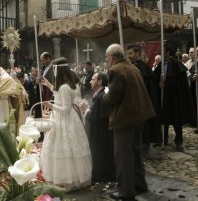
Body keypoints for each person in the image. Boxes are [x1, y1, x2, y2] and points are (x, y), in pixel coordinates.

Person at [102, 44, 155, 200]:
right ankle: (140, 185)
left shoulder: (116, 70)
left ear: (112, 56)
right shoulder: (133, 67)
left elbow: (113, 97)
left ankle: (126, 190)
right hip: (139, 116)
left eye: (106, 57)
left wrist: (105, 93)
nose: (106, 60)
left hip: (124, 118)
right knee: (136, 151)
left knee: (123, 155)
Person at [40, 57, 92, 191]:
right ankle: (74, 177)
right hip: (71, 120)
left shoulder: (63, 87)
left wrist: (50, 105)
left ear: (58, 70)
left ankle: (65, 179)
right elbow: (61, 96)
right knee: (72, 150)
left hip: (63, 119)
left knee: (63, 148)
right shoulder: (70, 84)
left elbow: (65, 109)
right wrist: (50, 86)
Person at [154, 43, 194, 151]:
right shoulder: (161, 64)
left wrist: (166, 81)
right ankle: (164, 139)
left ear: (167, 52)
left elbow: (180, 83)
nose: (161, 52)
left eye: (163, 50)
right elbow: (155, 79)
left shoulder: (176, 64)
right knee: (164, 118)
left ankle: (178, 141)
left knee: (176, 120)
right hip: (164, 96)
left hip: (174, 97)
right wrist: (159, 83)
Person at [80, 71, 115, 183]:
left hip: (101, 132)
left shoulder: (102, 95)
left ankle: (101, 176)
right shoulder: (100, 93)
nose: (90, 81)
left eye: (93, 79)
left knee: (100, 153)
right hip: (100, 130)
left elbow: (98, 116)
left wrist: (86, 110)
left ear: (100, 81)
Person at [127, 44, 161, 153]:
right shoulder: (128, 66)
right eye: (127, 54)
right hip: (131, 102)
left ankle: (145, 147)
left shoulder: (144, 68)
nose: (128, 56)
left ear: (138, 53)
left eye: (131, 53)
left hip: (142, 102)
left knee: (144, 126)